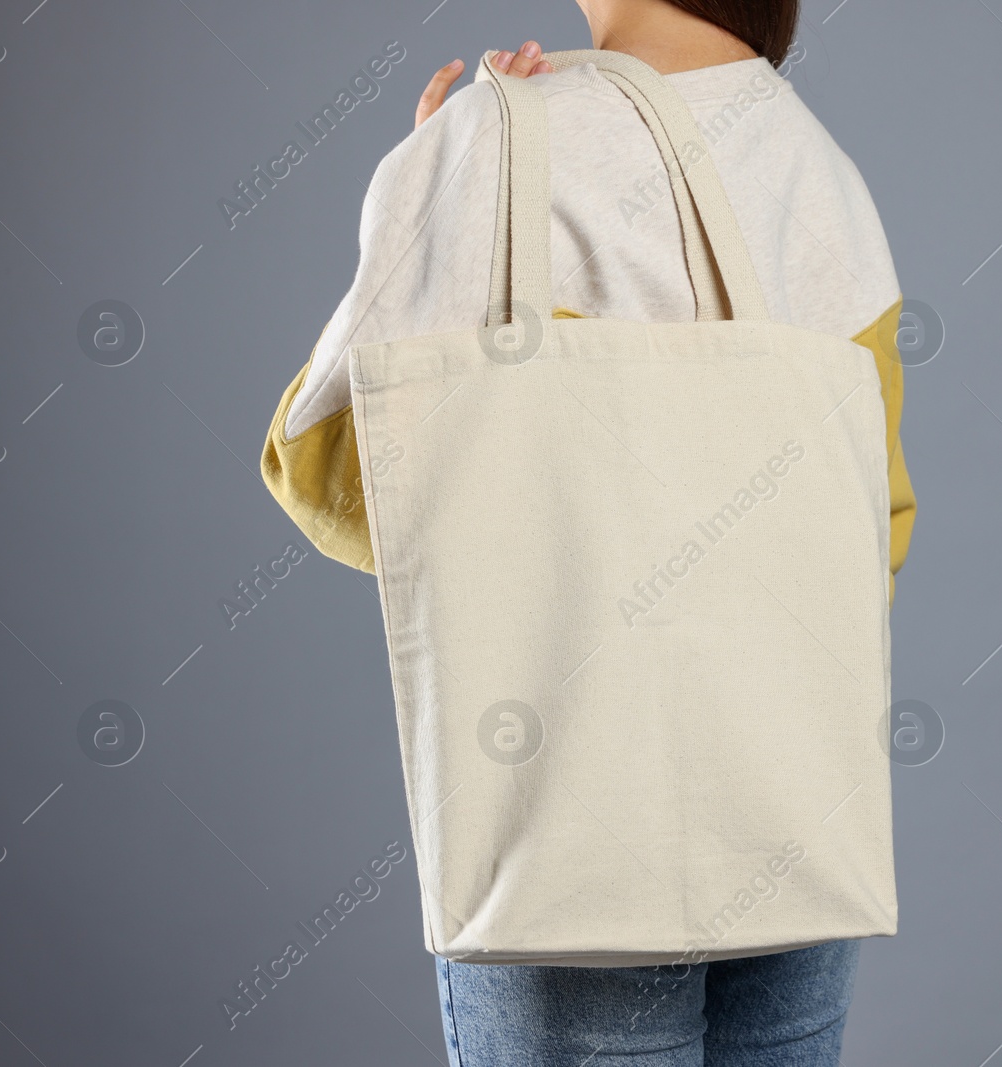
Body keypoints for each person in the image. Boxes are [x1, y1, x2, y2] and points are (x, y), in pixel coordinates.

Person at [260, 1, 915, 1062]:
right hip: (793, 798)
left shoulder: (500, 140)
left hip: (579, 821)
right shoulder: (826, 172)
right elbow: (871, 528)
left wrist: (419, 193)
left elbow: (332, 471)